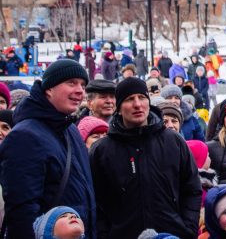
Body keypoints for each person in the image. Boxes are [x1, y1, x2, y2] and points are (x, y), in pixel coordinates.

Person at [90, 76, 202, 238]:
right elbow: (96, 201)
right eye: (129, 99)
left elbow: (191, 189)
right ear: (119, 107)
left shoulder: (173, 141)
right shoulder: (103, 150)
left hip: (172, 234)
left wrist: (188, 229)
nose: (137, 104)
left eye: (142, 97)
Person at [0, 58, 96, 239]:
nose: (80, 91)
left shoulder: (71, 130)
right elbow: (22, 213)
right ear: (49, 89)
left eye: (83, 85)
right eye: (71, 83)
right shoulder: (24, 137)